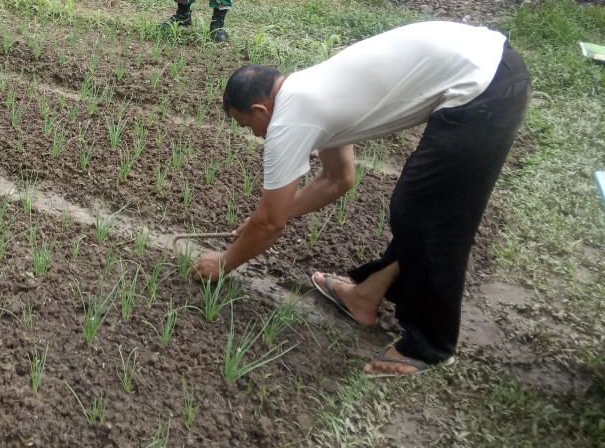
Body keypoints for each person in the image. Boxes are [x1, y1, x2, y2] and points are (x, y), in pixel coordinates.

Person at [191, 21, 531, 377]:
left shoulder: (289, 121)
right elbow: (337, 179)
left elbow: (271, 224)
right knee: (417, 207)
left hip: (484, 88)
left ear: (261, 110)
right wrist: (268, 217)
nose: (256, 135)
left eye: (248, 126)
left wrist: (225, 261)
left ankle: (431, 345)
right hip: (491, 64)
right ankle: (365, 296)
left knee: (430, 214)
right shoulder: (310, 89)